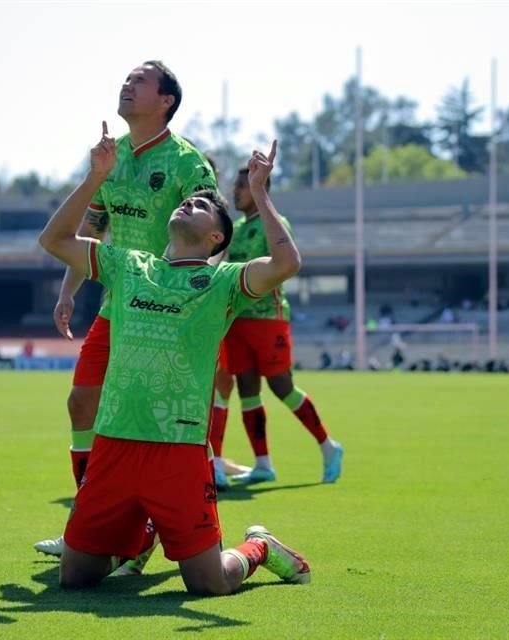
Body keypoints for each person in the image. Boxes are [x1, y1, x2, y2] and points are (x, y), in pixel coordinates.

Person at [38, 128, 310, 594]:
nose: (188, 204)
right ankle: (138, 533)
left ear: (215, 236)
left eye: (202, 207)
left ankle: (259, 547)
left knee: (208, 584)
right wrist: (94, 177)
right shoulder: (130, 266)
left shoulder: (224, 283)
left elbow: (286, 264)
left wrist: (261, 193)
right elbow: (54, 239)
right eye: (188, 202)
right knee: (76, 578)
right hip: (115, 442)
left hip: (179, 449)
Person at [35, 61, 216, 557]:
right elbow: (87, 232)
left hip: (168, 316)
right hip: (118, 305)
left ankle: (144, 534)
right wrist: (69, 290)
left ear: (166, 102)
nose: (127, 85)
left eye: (140, 82)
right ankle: (89, 525)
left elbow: (214, 236)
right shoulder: (108, 158)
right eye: (126, 79)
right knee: (81, 403)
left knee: (152, 421)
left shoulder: (187, 163)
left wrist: (198, 300)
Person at [217, 168, 343, 486]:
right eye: (235, 185)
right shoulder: (237, 228)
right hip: (238, 319)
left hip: (267, 318)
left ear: (262, 188)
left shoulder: (274, 223)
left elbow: (284, 264)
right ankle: (263, 463)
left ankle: (328, 446)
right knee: (247, 389)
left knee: (281, 386)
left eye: (242, 186)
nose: (236, 191)